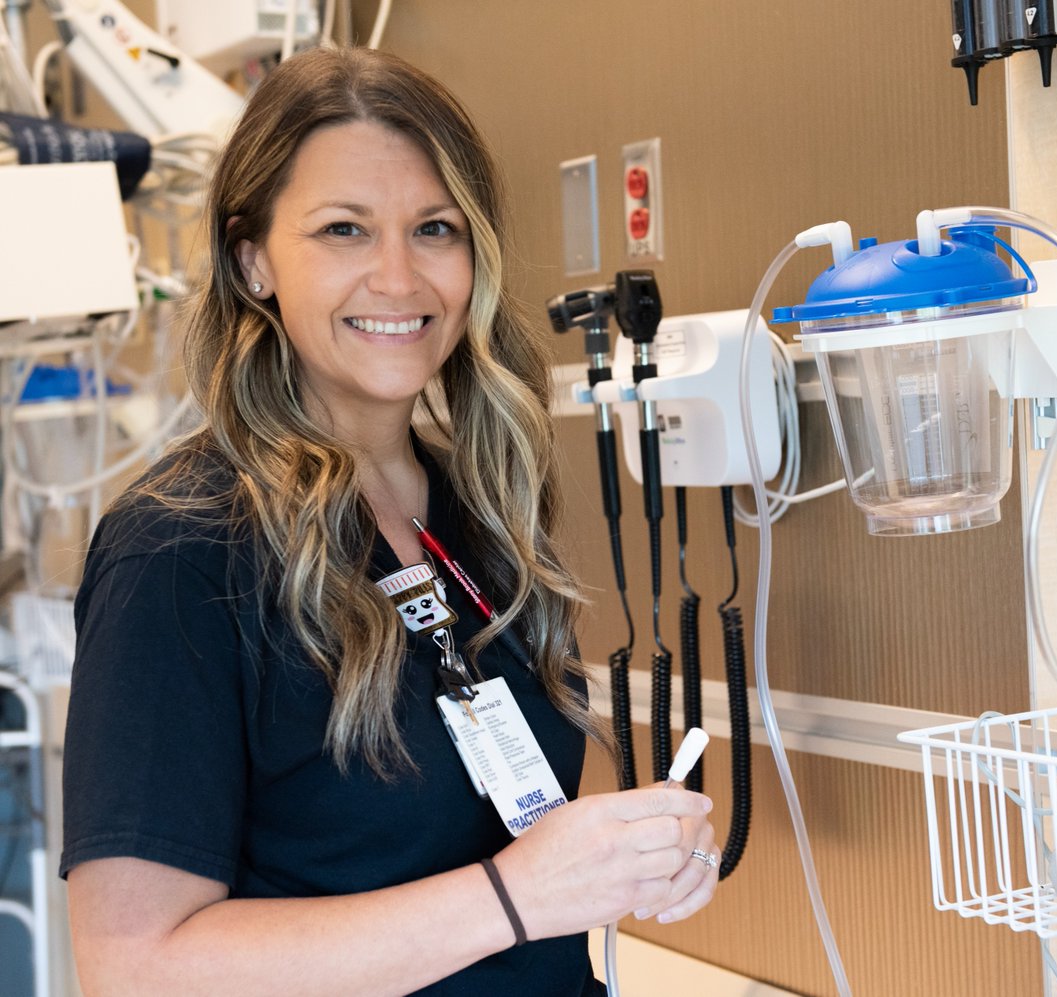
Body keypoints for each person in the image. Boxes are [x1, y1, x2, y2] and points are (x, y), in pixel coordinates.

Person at [60, 46, 718, 996]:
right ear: (252, 260)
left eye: (435, 229)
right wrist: (517, 895)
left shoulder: (476, 508)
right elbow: (133, 967)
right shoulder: (182, 550)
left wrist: (617, 858)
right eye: (343, 230)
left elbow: (488, 838)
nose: (400, 278)